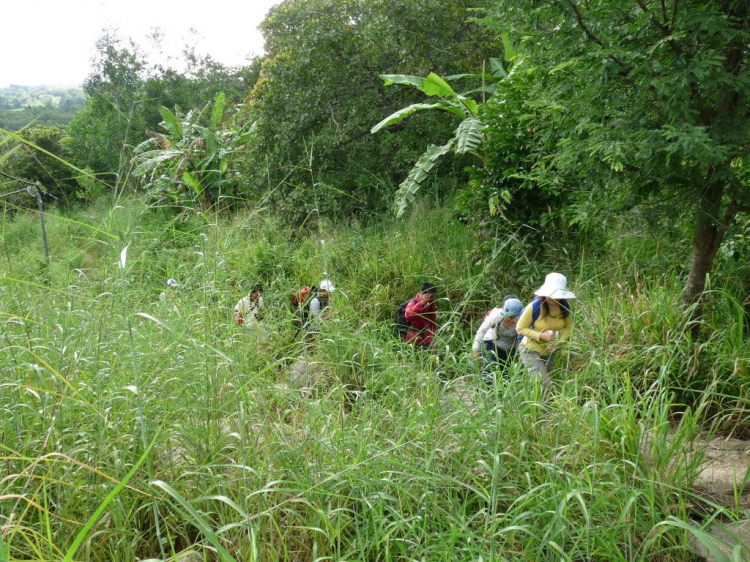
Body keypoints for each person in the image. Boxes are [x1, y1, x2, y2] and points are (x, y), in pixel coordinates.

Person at [516, 272, 575, 389]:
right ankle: (548, 405)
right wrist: (541, 335)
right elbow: (520, 328)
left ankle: (540, 406)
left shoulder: (565, 307)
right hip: (530, 349)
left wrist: (557, 343)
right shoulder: (535, 306)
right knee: (544, 383)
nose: (553, 297)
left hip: (550, 351)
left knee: (542, 383)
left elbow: (568, 328)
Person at [472, 296, 524, 384]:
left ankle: (499, 396)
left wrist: (520, 358)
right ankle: (486, 394)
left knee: (505, 374)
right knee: (489, 369)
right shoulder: (497, 314)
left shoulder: (523, 320)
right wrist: (475, 349)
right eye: (507, 316)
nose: (509, 319)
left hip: (508, 349)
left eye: (512, 317)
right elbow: (482, 330)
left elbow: (522, 340)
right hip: (491, 343)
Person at [404, 282, 438, 348]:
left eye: (433, 296)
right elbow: (408, 316)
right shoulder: (413, 303)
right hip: (413, 339)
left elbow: (432, 321)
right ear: (422, 293)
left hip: (426, 337)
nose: (432, 298)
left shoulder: (430, 304)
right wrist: (422, 303)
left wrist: (433, 335)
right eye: (430, 296)